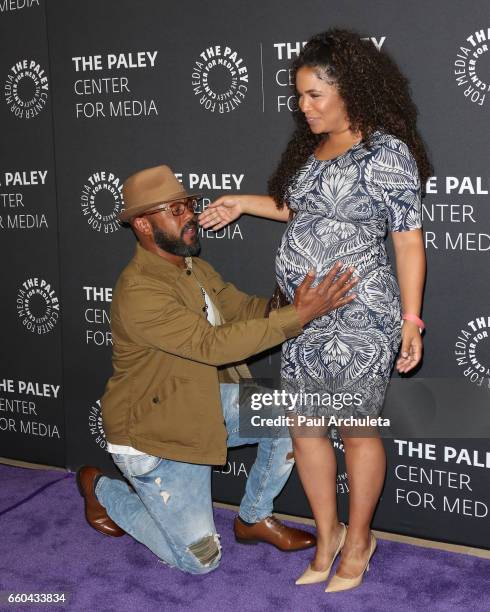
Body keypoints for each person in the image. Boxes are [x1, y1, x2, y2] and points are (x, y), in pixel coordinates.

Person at [198, 29, 430, 591]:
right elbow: (299, 207)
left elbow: (406, 240)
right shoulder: (311, 148)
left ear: (349, 91)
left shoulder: (385, 152)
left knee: (354, 430)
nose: (302, 108)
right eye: (298, 97)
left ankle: (358, 539)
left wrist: (411, 319)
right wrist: (242, 203)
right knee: (305, 429)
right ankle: (326, 536)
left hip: (360, 315)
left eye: (313, 96)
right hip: (303, 317)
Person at [77, 164, 358, 575]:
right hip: (157, 437)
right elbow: (211, 345)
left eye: (188, 205)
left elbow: (234, 306)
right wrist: (297, 317)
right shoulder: (140, 290)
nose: (189, 215)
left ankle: (253, 518)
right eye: (174, 210)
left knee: (292, 412)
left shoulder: (189, 266)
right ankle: (101, 489)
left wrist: (283, 307)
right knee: (200, 562)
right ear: (141, 223)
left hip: (201, 403)